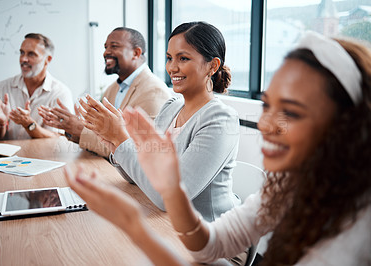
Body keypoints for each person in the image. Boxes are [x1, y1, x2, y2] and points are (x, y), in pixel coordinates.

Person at [65, 31, 371, 266]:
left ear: (346, 123)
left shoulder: (358, 234)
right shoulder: (287, 188)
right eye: (268, 105)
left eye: (290, 111)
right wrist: (154, 192)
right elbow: (208, 242)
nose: (265, 125)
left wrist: (139, 223)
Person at [77, 22, 241, 222]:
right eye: (169, 58)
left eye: (183, 58)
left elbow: (170, 198)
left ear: (213, 66)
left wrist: (121, 139)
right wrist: (114, 143)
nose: (172, 68)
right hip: (167, 224)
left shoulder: (221, 120)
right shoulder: (171, 106)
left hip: (211, 235)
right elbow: (136, 178)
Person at [38, 27, 170, 158]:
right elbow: (100, 135)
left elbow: (134, 149)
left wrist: (79, 129)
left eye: (114, 46)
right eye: (105, 47)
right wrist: (73, 126)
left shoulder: (154, 91)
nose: (106, 52)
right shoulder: (112, 88)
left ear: (136, 53)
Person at [0, 33, 73, 141]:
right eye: (22, 53)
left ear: (47, 60)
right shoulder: (2, 88)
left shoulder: (60, 93)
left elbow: (59, 138)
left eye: (31, 54)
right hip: (6, 157)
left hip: (43, 157)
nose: (23, 59)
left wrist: (29, 124)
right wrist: (0, 123)